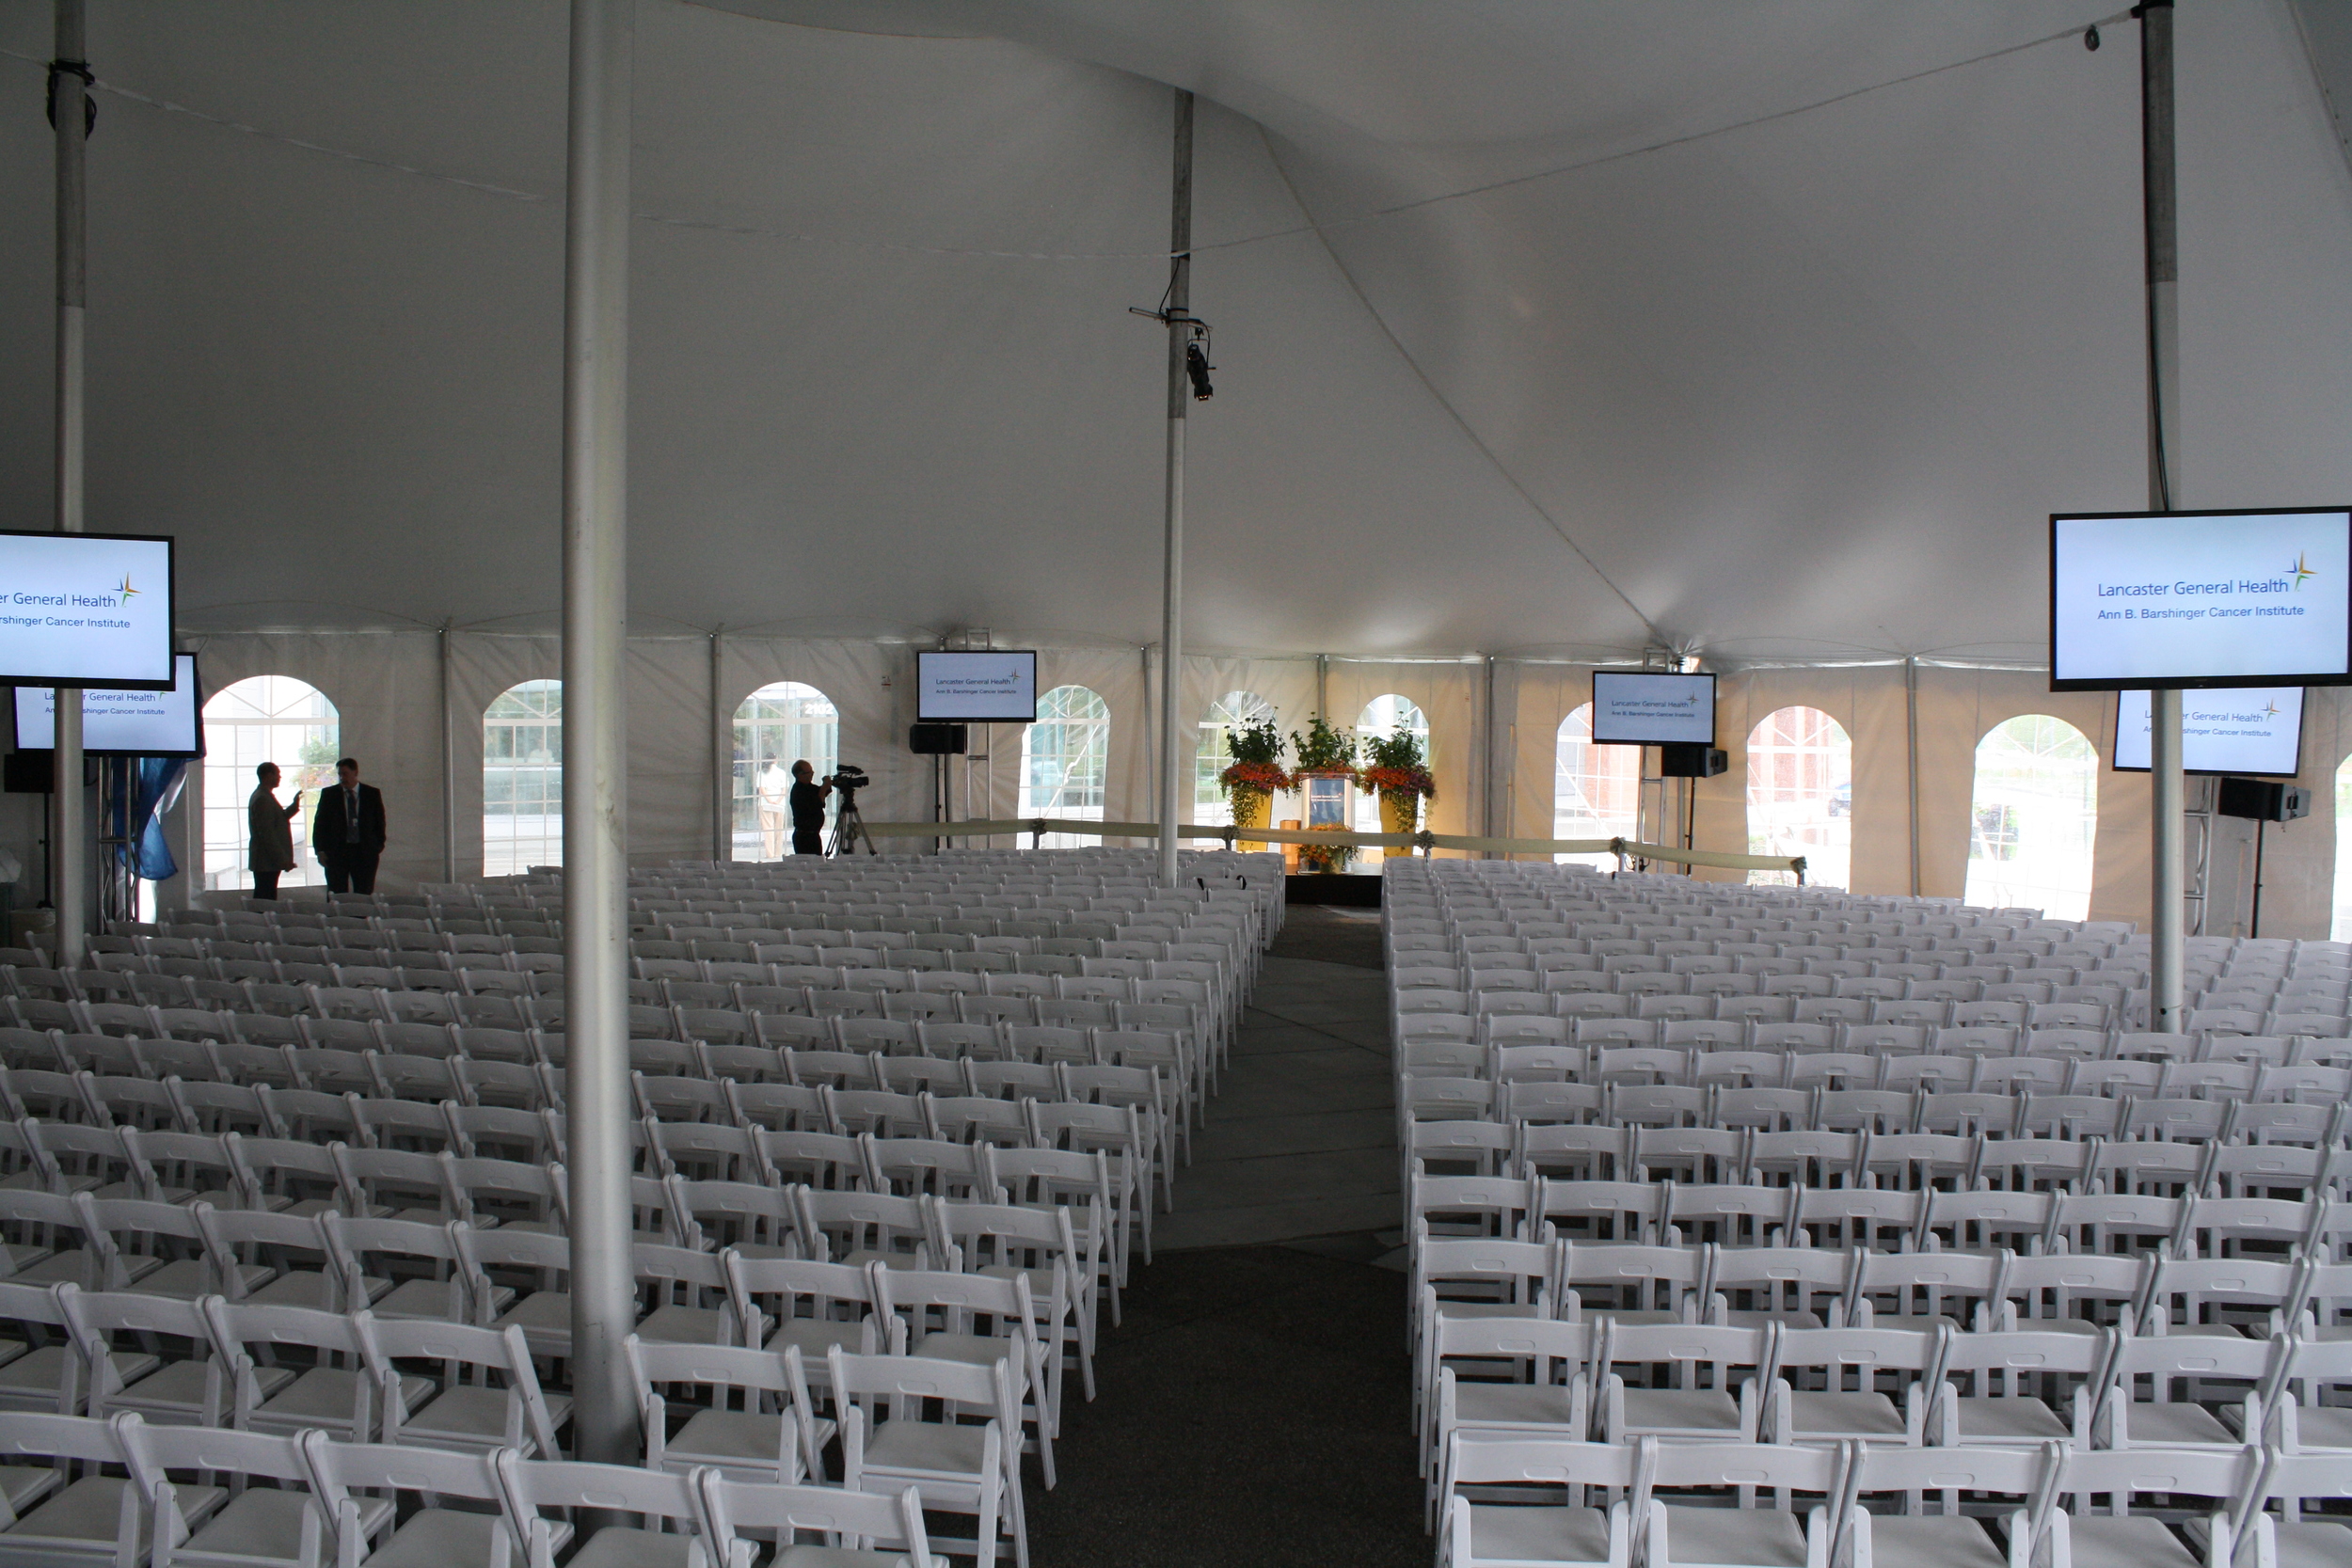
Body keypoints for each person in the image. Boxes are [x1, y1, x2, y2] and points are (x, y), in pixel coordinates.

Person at [311, 756, 388, 894]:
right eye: (339, 774)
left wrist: (377, 846)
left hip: (364, 852)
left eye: (345, 774)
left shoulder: (371, 794)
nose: (342, 778)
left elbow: (379, 822)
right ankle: (338, 915)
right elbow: (320, 825)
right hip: (337, 852)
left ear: (355, 772)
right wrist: (320, 850)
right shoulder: (329, 794)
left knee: (364, 892)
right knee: (336, 892)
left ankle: (361, 915)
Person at [246, 762, 299, 899]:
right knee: (265, 899)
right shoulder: (262, 798)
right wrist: (283, 859)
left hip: (267, 861)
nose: (279, 777)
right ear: (268, 775)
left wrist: (293, 808)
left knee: (266, 896)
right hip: (266, 861)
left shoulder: (264, 795)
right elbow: (267, 833)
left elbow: (275, 821)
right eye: (277, 774)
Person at [788, 760, 832, 856]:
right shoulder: (798, 791)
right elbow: (817, 802)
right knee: (810, 865)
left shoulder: (809, 787)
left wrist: (828, 784)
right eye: (809, 772)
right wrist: (824, 787)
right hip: (804, 837)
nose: (812, 774)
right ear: (800, 775)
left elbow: (821, 792)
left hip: (813, 835)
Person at [756, 760, 792, 859]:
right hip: (779, 804)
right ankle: (777, 852)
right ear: (775, 760)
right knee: (779, 829)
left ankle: (770, 853)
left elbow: (761, 789)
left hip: (765, 803)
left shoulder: (761, 773)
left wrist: (769, 800)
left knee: (768, 829)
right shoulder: (782, 773)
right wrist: (777, 800)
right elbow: (784, 789)